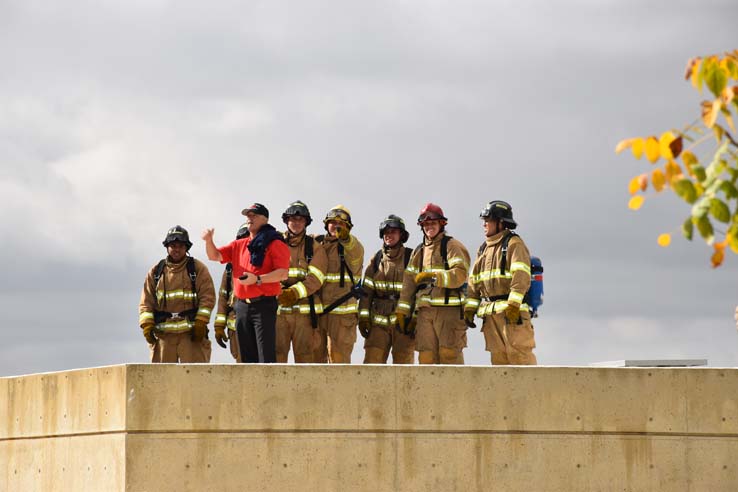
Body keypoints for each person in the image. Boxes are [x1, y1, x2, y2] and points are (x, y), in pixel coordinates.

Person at [202, 203, 290, 363]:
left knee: (266, 358)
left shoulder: (276, 243)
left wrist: (257, 279)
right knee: (246, 359)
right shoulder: (239, 245)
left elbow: (283, 274)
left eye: (253, 215)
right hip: (241, 307)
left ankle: (266, 387)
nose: (249, 218)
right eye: (248, 215)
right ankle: (252, 388)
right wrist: (209, 240)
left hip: (264, 305)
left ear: (265, 219)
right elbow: (214, 256)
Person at [396, 203, 470, 365]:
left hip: (449, 311)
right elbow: (409, 282)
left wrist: (435, 277)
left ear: (441, 224)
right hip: (425, 314)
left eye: (433, 223)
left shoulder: (452, 246)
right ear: (422, 227)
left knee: (449, 354)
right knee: (426, 357)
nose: (429, 227)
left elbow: (460, 274)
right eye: (426, 224)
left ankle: (453, 391)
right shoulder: (419, 251)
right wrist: (402, 311)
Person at [465, 200, 537, 365]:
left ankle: (529, 391)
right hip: (491, 316)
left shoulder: (514, 244)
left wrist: (514, 303)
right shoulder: (484, 249)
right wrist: (470, 308)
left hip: (512, 314)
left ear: (500, 222)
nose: (484, 224)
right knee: (499, 362)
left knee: (519, 357)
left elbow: (521, 275)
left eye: (488, 220)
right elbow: (474, 280)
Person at [139, 225, 216, 363]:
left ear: (186, 248)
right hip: (164, 336)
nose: (177, 249)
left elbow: (208, 296)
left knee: (196, 378)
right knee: (163, 379)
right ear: (167, 247)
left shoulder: (197, 269)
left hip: (191, 335)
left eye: (181, 245)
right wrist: (147, 325)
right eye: (173, 245)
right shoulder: (156, 271)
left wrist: (200, 322)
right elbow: (146, 302)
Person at [275, 201, 329, 363]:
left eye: (301, 220)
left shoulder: (315, 247)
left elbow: (316, 278)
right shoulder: (275, 245)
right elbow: (265, 272)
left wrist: (293, 292)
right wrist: (279, 291)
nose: (297, 223)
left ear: (306, 222)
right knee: (276, 358)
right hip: (279, 314)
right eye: (293, 219)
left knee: (306, 359)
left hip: (305, 315)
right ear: (286, 221)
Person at [359, 214, 415, 364]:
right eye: (386, 233)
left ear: (401, 235)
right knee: (372, 366)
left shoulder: (411, 257)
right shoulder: (376, 259)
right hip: (378, 323)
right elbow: (367, 292)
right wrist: (363, 317)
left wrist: (414, 318)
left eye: (393, 232)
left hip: (403, 323)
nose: (389, 236)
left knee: (404, 370)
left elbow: (418, 291)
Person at [314, 205, 365, 363]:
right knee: (314, 363)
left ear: (348, 227)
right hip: (318, 313)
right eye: (332, 222)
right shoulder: (317, 245)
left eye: (341, 223)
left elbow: (354, 247)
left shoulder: (352, 248)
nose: (336, 226)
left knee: (339, 362)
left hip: (342, 316)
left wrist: (345, 237)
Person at [212, 223, 250, 362]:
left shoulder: (264, 264)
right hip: (236, 327)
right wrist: (219, 326)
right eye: (242, 239)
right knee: (242, 369)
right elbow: (223, 297)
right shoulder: (230, 268)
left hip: (260, 326)